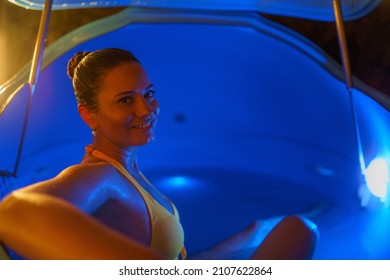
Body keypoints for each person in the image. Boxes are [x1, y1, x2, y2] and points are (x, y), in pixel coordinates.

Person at [0, 48, 318, 260]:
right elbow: (13, 212)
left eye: (149, 94)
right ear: (89, 116)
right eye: (126, 100)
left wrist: (249, 234)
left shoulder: (130, 175)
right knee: (300, 231)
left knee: (299, 229)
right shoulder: (98, 175)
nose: (146, 109)